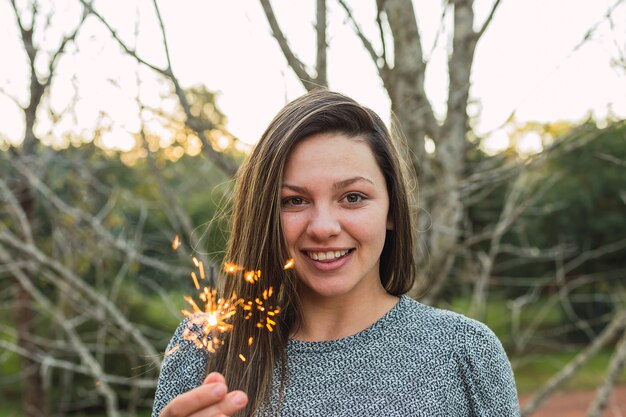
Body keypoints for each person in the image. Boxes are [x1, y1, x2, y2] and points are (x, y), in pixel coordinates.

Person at [152, 90, 520, 417]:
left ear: (392, 210)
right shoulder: (203, 347)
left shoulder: (465, 352)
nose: (323, 227)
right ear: (265, 214)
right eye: (294, 201)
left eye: (353, 198)